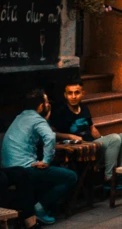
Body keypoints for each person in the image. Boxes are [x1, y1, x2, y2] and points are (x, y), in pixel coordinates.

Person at [1, 89, 77, 223]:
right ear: (41, 106)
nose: (49, 105)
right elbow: (50, 137)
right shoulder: (37, 120)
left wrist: (45, 119)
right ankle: (39, 208)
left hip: (7, 169)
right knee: (71, 176)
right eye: (47, 102)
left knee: (49, 172)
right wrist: (47, 160)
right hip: (24, 170)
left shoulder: (21, 116)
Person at [50, 79, 122, 188]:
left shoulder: (84, 108)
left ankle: (119, 173)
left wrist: (103, 139)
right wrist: (69, 136)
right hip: (81, 149)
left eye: (77, 93)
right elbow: (52, 132)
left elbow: (92, 128)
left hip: (93, 145)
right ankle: (109, 178)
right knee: (114, 138)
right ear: (65, 95)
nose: (73, 96)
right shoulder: (60, 111)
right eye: (70, 93)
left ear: (82, 94)